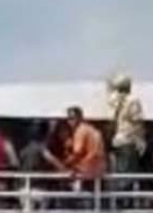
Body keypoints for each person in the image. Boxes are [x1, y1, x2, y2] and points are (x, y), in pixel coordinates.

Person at [107, 74, 146, 204]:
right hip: (125, 141)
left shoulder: (121, 101)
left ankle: (123, 202)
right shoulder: (129, 101)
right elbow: (137, 123)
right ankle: (124, 202)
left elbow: (134, 123)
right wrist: (140, 141)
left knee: (123, 175)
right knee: (126, 175)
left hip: (122, 141)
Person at [62, 105, 106, 205]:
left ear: (80, 117)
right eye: (68, 118)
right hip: (99, 170)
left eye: (72, 118)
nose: (70, 121)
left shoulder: (80, 131)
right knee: (97, 202)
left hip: (87, 171)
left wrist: (65, 164)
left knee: (79, 198)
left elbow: (77, 153)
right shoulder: (93, 130)